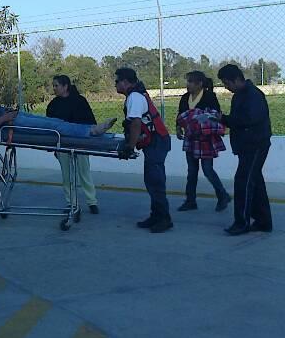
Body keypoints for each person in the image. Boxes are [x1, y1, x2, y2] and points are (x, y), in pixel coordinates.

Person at [115, 67, 172, 233]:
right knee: (152, 180)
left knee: (155, 181)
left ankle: (164, 219)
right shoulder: (137, 95)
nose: (115, 85)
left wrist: (130, 147)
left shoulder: (134, 97)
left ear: (125, 82)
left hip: (156, 142)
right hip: (156, 142)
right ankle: (156, 216)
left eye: (117, 81)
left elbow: (135, 123)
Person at [217, 64, 272, 235]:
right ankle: (263, 221)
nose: (226, 87)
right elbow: (239, 119)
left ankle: (242, 222)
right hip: (247, 145)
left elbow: (249, 119)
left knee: (244, 182)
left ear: (235, 79)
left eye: (226, 83)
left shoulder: (252, 95)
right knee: (256, 183)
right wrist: (223, 119)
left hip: (255, 145)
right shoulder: (241, 95)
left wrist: (224, 119)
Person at [46, 75, 103, 214]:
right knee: (67, 175)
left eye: (56, 85)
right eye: (53, 86)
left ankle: (92, 201)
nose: (54, 88)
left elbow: (90, 122)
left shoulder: (80, 101)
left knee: (84, 172)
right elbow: (50, 125)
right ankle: (71, 202)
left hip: (80, 143)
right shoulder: (53, 105)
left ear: (65, 86)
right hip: (62, 144)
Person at [176, 71, 230, 212]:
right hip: (191, 138)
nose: (187, 85)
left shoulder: (209, 96)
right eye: (187, 82)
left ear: (199, 83)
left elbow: (215, 114)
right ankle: (190, 201)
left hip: (206, 139)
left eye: (190, 82)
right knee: (192, 171)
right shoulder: (185, 98)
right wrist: (178, 128)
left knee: (207, 170)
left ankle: (222, 195)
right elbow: (180, 115)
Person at [0, 103, 116, 141]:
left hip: (13, 116)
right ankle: (90, 132)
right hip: (11, 122)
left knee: (55, 121)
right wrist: (2, 119)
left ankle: (92, 128)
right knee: (53, 126)